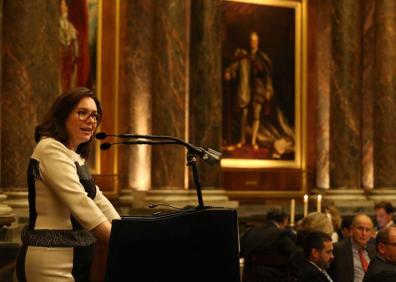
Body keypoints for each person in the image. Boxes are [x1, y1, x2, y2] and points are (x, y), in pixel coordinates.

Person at [16, 87, 121, 281]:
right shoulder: (49, 149)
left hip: (77, 258)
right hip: (51, 261)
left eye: (95, 116)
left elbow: (97, 199)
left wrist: (126, 231)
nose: (91, 121)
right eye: (82, 113)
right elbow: (81, 202)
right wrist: (123, 240)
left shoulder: (73, 154)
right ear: (62, 115)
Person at [240, 208, 297, 282]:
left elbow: (240, 252)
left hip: (250, 278)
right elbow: (295, 254)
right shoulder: (280, 234)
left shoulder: (250, 232)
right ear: (285, 220)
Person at [328, 213, 376, 282]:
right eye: (360, 228)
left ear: (371, 233)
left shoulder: (374, 249)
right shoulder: (338, 249)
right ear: (352, 229)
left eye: (367, 230)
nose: (364, 233)